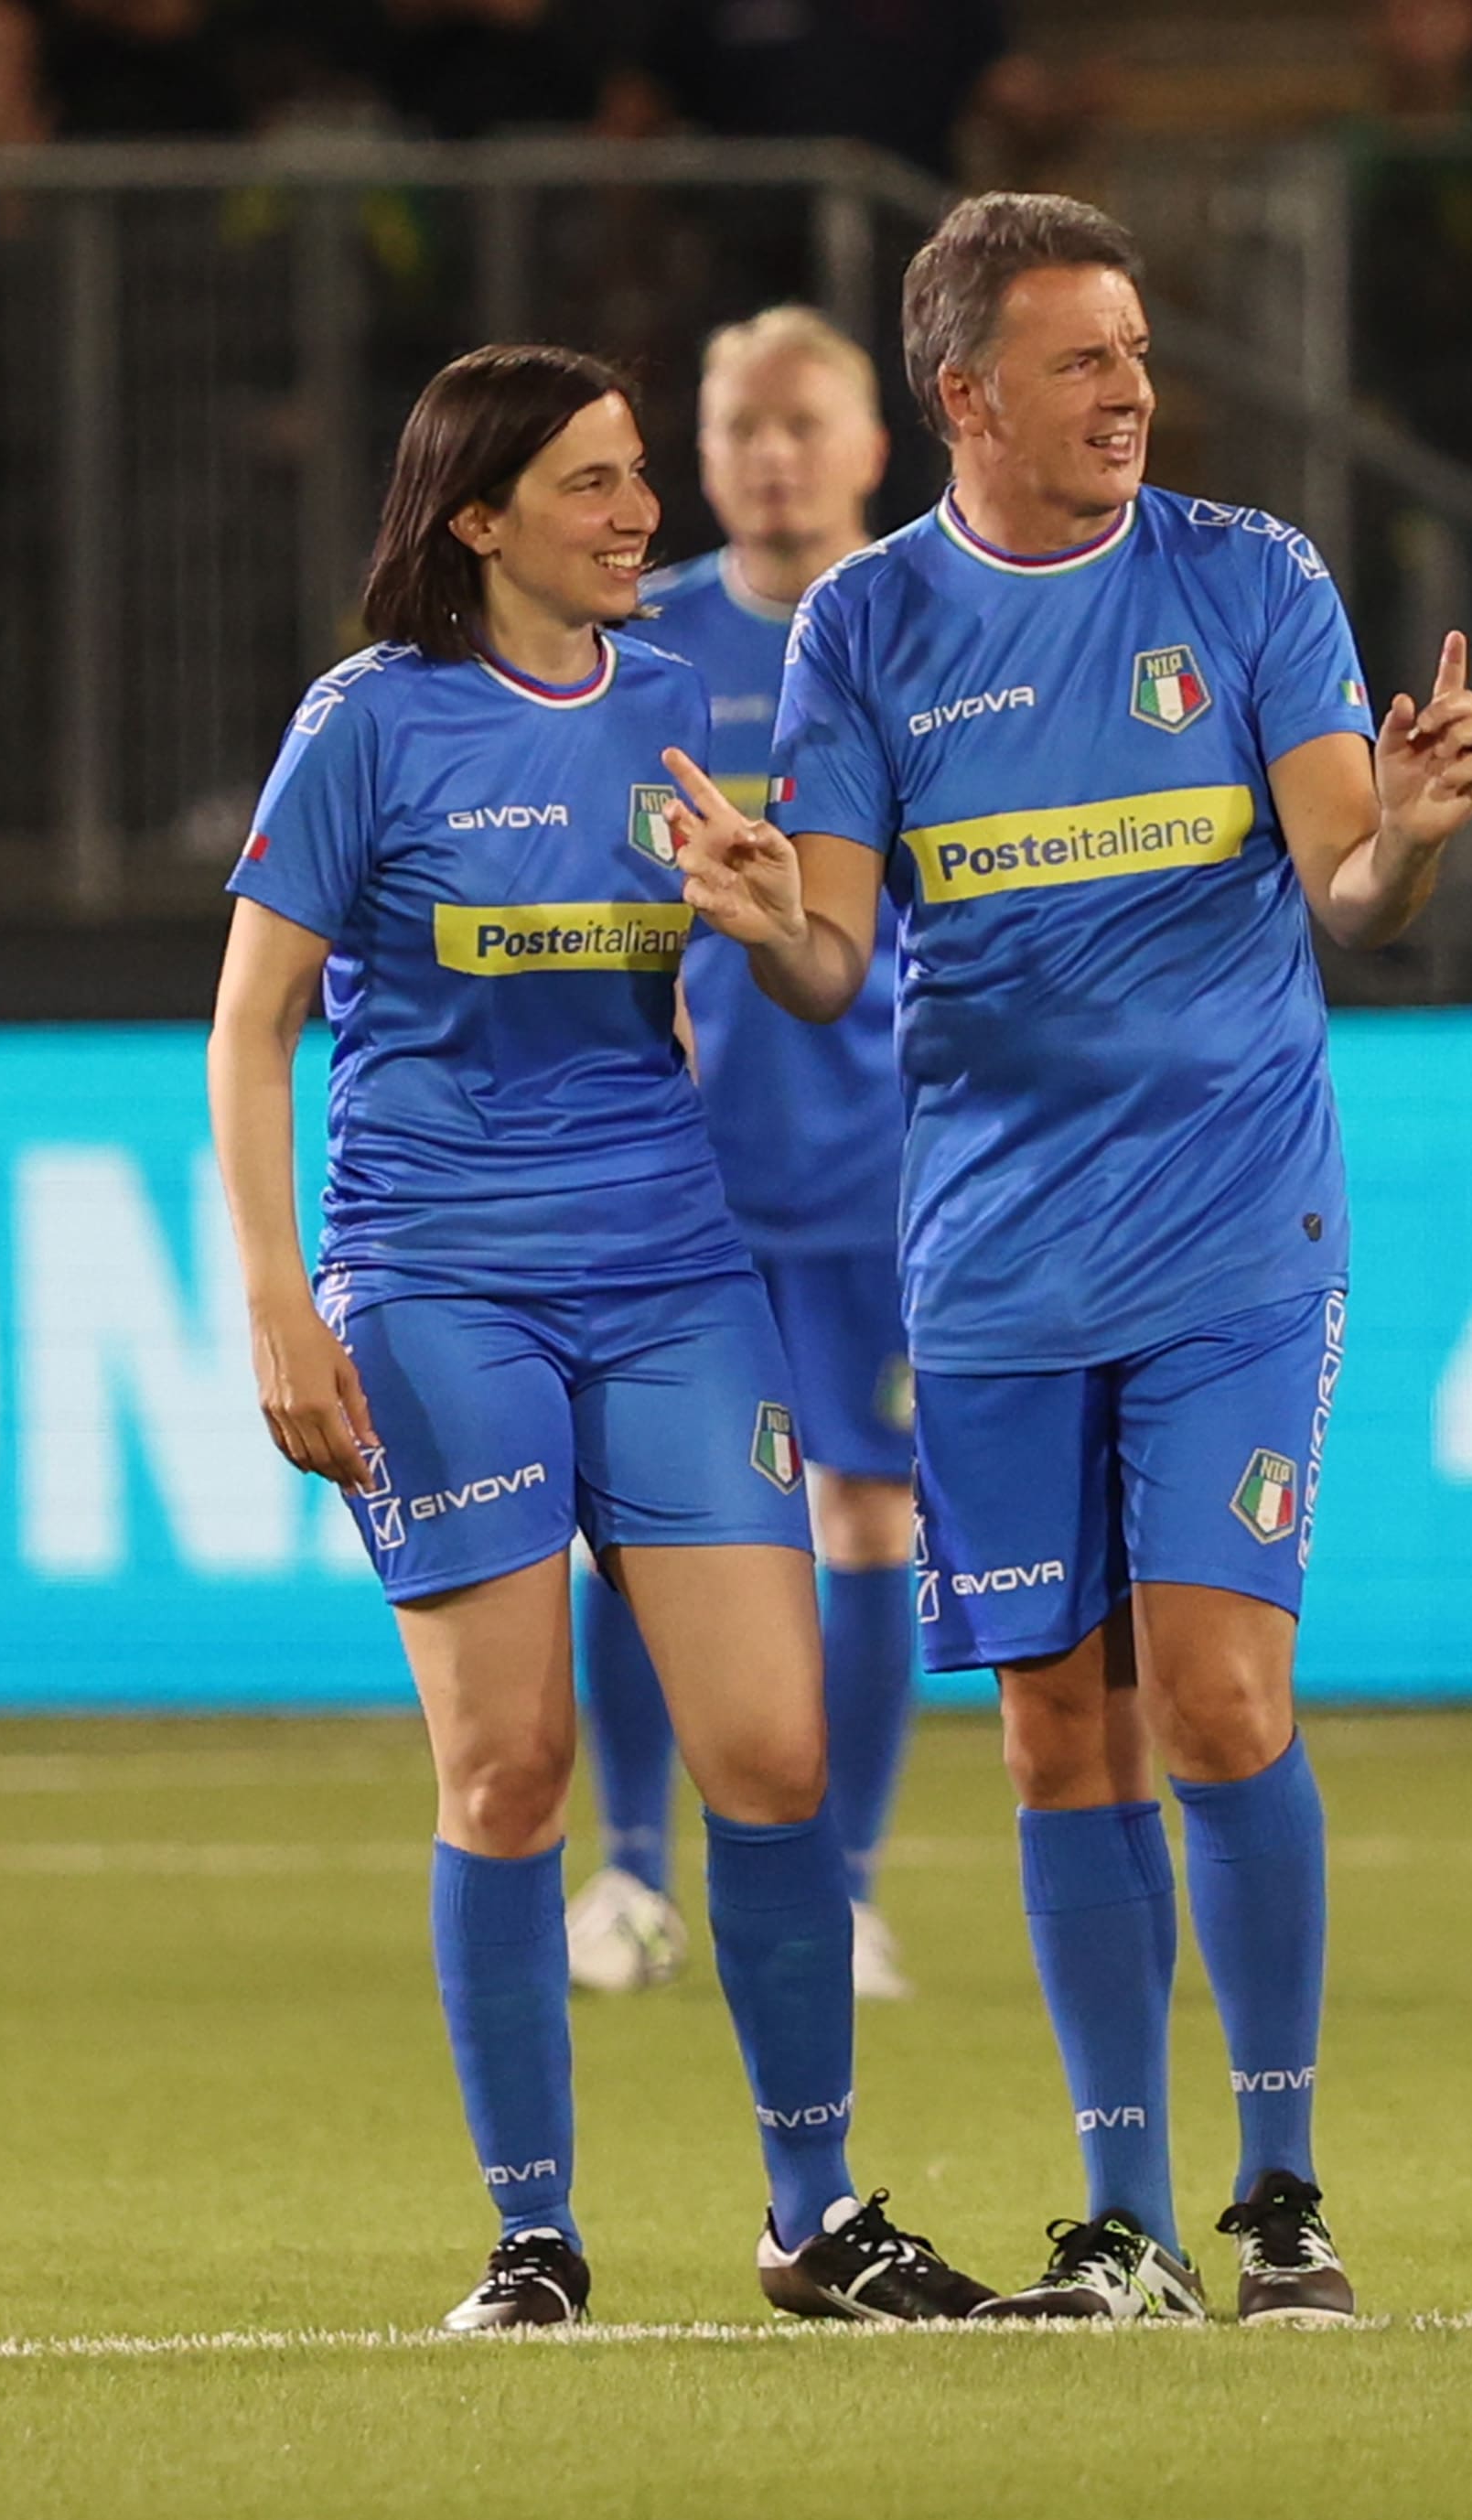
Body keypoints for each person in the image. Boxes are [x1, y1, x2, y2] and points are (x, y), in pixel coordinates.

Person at [675, 190, 1472, 2326]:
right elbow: (836, 947)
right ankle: (1118, 2218)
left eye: (1136, 352)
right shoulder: (862, 627)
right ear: (964, 395)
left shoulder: (1246, 582)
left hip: (1234, 1229)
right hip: (995, 1259)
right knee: (1058, 1726)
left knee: (1220, 1695)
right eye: (1081, 357)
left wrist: (1401, 830)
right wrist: (765, 924)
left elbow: (1344, 884)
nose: (1129, 388)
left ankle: (1282, 2189)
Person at [207, 342, 989, 2334]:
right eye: (594, 484)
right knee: (512, 1761)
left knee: (773, 1748)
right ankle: (532, 2239)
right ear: (476, 518)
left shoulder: (660, 702)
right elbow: (249, 1023)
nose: (642, 512)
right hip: (440, 1278)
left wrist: (759, 920)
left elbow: (819, 977)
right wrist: (283, 1302)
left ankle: (812, 2218)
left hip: (668, 1266)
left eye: (643, 475)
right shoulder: (365, 729)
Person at [565, 306, 919, 2007]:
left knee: (864, 1518)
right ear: (705, 458)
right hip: (674, 1170)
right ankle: (631, 1872)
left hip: (878, 1166)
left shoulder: (924, 632)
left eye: (804, 424)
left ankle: (838, 1887)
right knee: (641, 1525)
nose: (772, 456)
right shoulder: (643, 649)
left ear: (868, 447)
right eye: (741, 429)